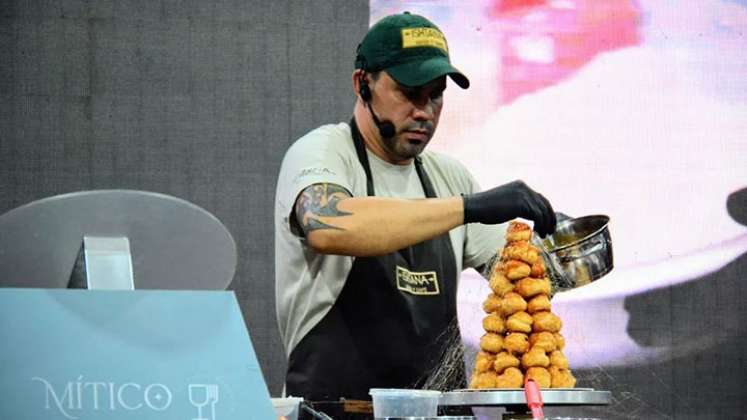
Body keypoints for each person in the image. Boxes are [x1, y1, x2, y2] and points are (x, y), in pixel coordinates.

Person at [274, 12, 557, 405]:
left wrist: (569, 246)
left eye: (435, 94)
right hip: (334, 412)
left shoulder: (447, 176)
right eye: (409, 93)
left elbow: (525, 280)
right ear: (362, 84)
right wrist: (469, 207)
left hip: (436, 413)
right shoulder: (324, 152)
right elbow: (327, 225)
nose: (424, 111)